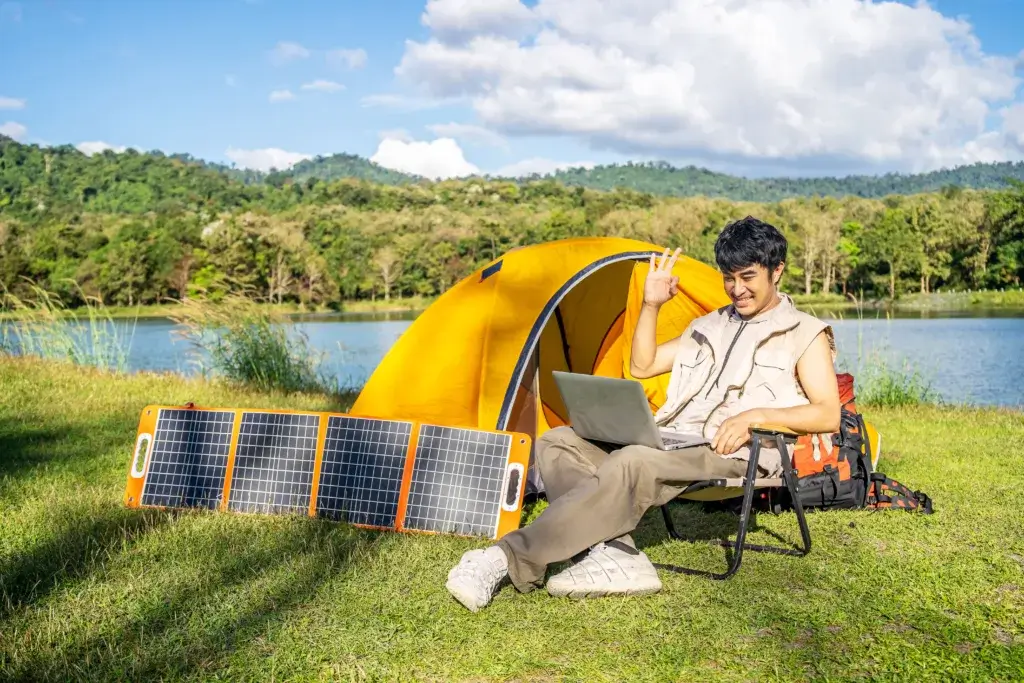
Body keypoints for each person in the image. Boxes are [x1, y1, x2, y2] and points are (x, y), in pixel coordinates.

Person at [445, 216, 841, 612]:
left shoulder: (804, 333)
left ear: (777, 271)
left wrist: (754, 416)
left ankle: (505, 558)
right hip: (676, 439)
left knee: (632, 460)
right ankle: (615, 552)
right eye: (728, 277)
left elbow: (827, 415)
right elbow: (642, 365)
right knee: (558, 441)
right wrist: (651, 305)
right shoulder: (709, 325)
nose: (737, 289)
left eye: (748, 276)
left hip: (737, 452)